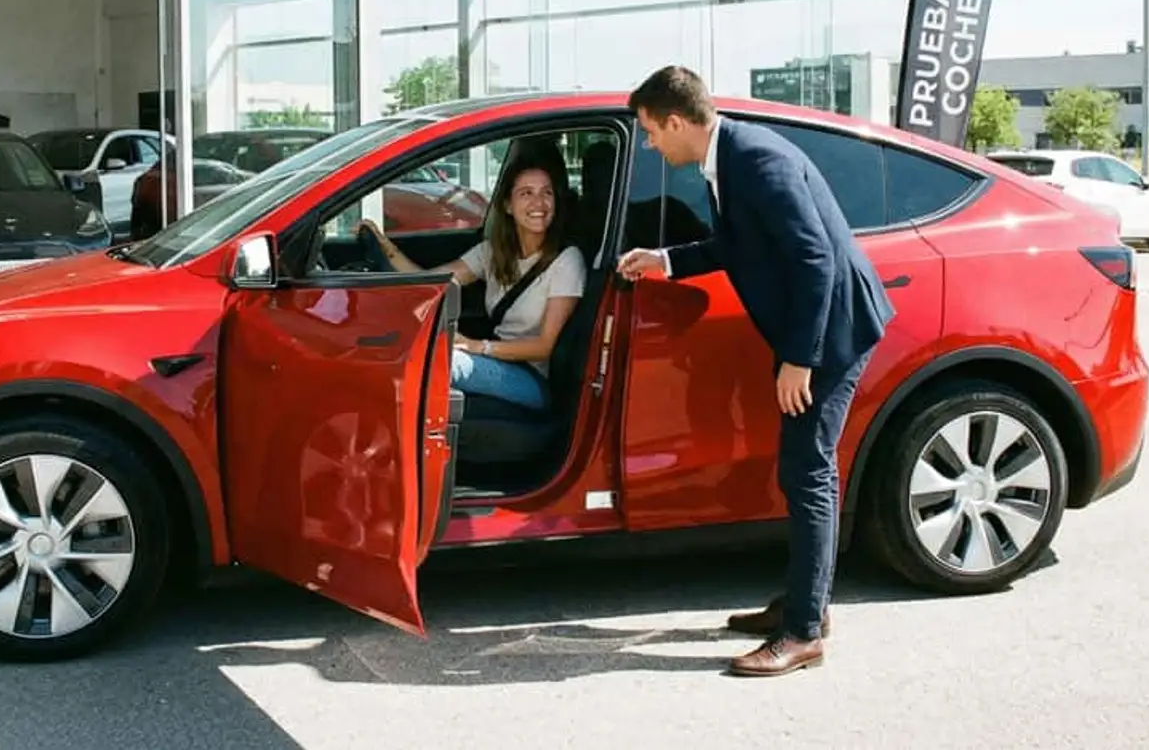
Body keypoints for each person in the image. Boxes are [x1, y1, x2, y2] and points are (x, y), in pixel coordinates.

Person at [617, 65, 895, 678]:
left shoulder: (756, 160)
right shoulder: (730, 157)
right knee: (800, 470)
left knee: (808, 470)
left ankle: (803, 633)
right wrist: (664, 260)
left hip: (832, 334)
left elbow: (815, 258)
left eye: (650, 132)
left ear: (675, 121)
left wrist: (801, 358)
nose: (650, 145)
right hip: (814, 329)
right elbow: (740, 245)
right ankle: (807, 605)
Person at [360, 148, 586, 412]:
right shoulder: (493, 252)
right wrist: (385, 246)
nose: (539, 203)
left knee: (437, 363)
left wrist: (476, 346)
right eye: (527, 193)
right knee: (407, 354)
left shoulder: (567, 260)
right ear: (508, 205)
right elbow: (432, 284)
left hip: (532, 378)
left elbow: (543, 347)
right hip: (496, 363)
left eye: (547, 193)